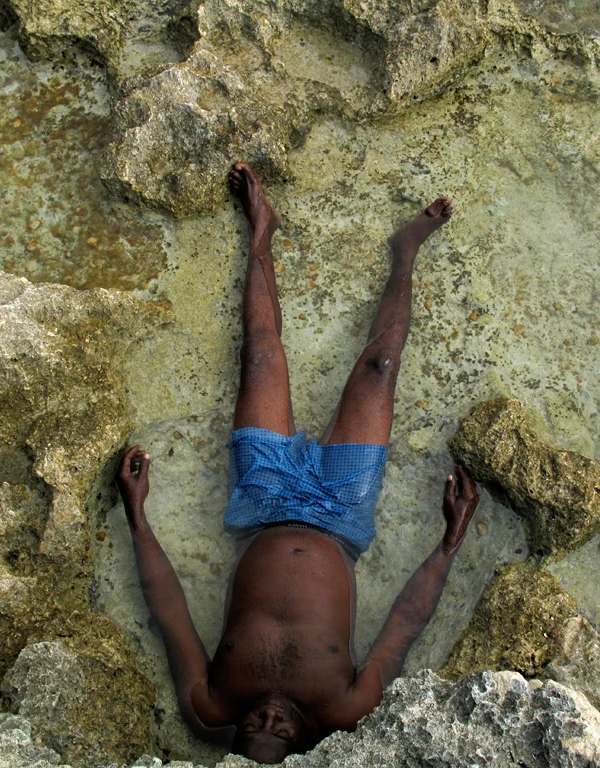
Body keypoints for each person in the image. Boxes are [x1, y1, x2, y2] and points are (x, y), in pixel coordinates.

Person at [116, 163, 479, 763]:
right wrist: (449, 543)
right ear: (302, 749)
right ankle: (406, 250)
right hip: (340, 516)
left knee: (260, 358)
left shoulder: (211, 705)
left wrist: (138, 518)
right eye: (279, 734)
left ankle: (262, 229)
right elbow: (402, 630)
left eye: (254, 727)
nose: (267, 717)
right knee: (380, 369)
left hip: (261, 505)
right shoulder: (347, 710)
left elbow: (168, 610)